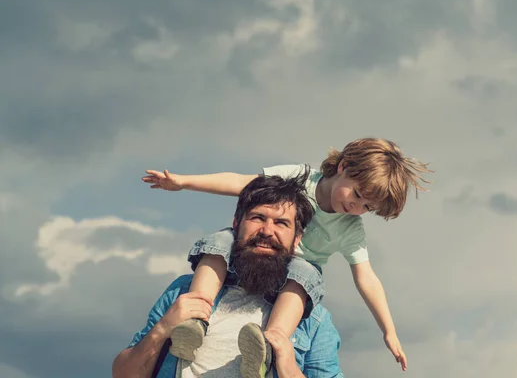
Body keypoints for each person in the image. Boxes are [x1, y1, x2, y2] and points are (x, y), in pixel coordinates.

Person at [143, 138, 432, 375]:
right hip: (254, 257)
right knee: (219, 240)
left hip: (291, 282)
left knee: (306, 272)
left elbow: (366, 277)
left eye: (367, 207)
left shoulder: (350, 229)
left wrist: (389, 331)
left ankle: (266, 346)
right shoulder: (300, 177)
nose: (356, 207)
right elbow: (242, 183)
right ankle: (195, 320)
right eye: (357, 194)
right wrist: (183, 182)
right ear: (344, 167)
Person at [113, 171, 344, 378]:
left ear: (296, 240)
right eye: (257, 218)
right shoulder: (184, 291)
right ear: (236, 224)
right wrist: (162, 330)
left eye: (281, 223)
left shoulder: (313, 321)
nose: (267, 231)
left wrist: (288, 367)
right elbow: (123, 374)